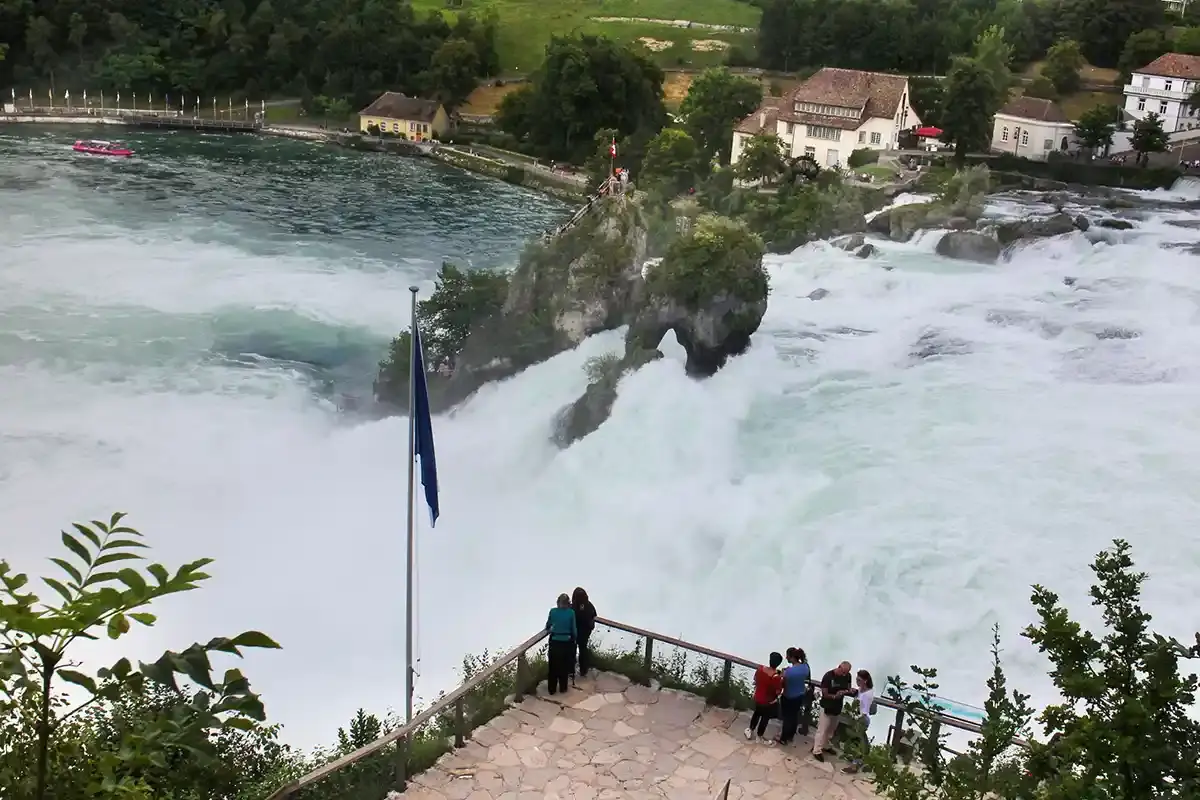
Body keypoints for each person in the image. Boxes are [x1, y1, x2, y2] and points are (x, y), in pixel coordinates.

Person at [813, 661, 854, 761]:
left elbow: (848, 688)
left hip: (838, 707)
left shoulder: (847, 676)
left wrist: (847, 691)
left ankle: (826, 745)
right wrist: (835, 696)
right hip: (827, 706)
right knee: (822, 730)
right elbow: (825, 694)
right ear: (839, 667)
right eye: (843, 672)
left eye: (846, 672)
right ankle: (817, 750)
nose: (844, 674)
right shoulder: (828, 676)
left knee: (831, 729)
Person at [744, 651, 784, 743]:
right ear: (778, 664)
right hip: (768, 702)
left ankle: (750, 730)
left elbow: (755, 680)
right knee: (765, 718)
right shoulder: (776, 677)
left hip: (758, 697)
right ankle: (759, 736)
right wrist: (781, 678)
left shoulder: (760, 669)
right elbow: (778, 692)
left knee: (757, 713)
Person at [776, 647, 811, 745]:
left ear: (792, 658)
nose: (786, 657)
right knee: (794, 716)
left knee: (787, 718)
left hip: (788, 696)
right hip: (799, 695)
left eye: (787, 655)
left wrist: (783, 674)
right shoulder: (805, 667)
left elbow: (783, 683)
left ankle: (783, 738)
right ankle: (790, 736)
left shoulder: (789, 672)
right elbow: (804, 677)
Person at [842, 670, 875, 774]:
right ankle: (860, 760)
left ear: (865, 681)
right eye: (856, 679)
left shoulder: (867, 695)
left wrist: (855, 720)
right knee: (860, 741)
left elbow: (863, 712)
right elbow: (858, 693)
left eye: (859, 680)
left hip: (861, 720)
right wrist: (855, 691)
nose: (857, 681)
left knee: (856, 742)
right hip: (858, 718)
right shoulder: (862, 689)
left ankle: (854, 766)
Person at [544, 593, 577, 695]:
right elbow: (574, 630)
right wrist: (574, 639)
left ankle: (552, 689)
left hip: (554, 641)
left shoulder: (553, 611)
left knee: (553, 666)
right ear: (568, 603)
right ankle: (563, 688)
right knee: (564, 666)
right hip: (566, 642)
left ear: (558, 602)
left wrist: (552, 628)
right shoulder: (571, 612)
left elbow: (548, 625)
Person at [571, 587, 597, 677]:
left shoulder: (573, 606)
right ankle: (583, 670)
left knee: (572, 649)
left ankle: (571, 669)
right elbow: (594, 615)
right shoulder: (589, 605)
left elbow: (571, 616)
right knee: (583, 649)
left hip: (575, 630)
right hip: (585, 631)